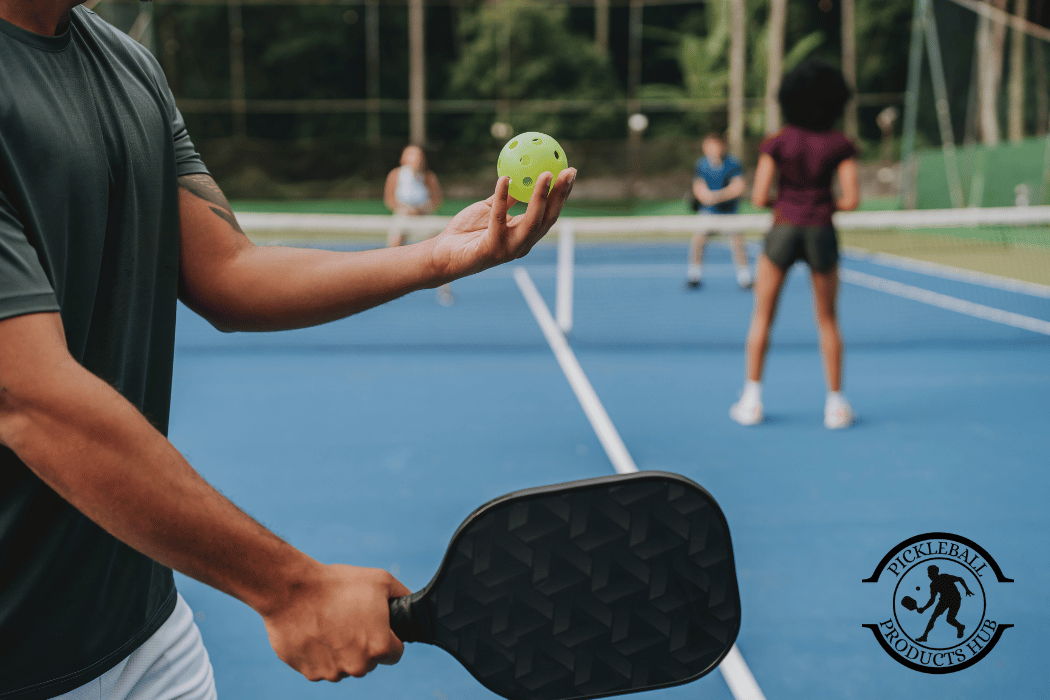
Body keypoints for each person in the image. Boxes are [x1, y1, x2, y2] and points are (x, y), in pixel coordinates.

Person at [0, 3, 576, 698]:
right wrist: (288, 588)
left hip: (144, 630)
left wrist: (439, 257)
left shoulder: (126, 66)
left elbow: (229, 273)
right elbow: (30, 398)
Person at [729, 58, 859, 430]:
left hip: (783, 229)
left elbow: (758, 196)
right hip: (821, 232)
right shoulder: (840, 144)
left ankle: (751, 401)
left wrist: (787, 204)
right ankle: (836, 406)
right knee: (829, 319)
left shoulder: (778, 141)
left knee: (762, 317)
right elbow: (850, 199)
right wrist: (819, 205)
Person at [384, 145, 454, 306]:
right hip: (403, 216)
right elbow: (389, 199)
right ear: (403, 159)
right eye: (412, 155)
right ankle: (390, 285)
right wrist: (403, 209)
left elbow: (436, 200)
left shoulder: (429, 177)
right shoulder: (395, 175)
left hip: (425, 216)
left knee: (439, 250)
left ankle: (444, 288)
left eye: (419, 156)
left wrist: (422, 209)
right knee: (393, 245)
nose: (416, 159)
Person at [686, 133, 752, 290]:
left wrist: (717, 196)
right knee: (698, 241)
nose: (713, 149)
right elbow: (698, 187)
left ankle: (745, 278)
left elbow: (739, 187)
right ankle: (694, 276)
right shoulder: (701, 164)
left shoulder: (733, 163)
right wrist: (705, 197)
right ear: (705, 147)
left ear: (723, 146)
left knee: (738, 243)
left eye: (716, 145)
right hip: (708, 213)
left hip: (729, 213)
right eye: (709, 146)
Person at [915, 565, 973, 642]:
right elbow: (932, 600)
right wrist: (924, 608)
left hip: (955, 599)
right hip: (944, 601)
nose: (928, 575)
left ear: (935, 572)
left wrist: (967, 589)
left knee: (949, 619)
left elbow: (959, 579)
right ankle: (925, 636)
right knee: (933, 618)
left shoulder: (944, 577)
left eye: (930, 573)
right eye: (928, 573)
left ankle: (960, 627)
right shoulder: (933, 585)